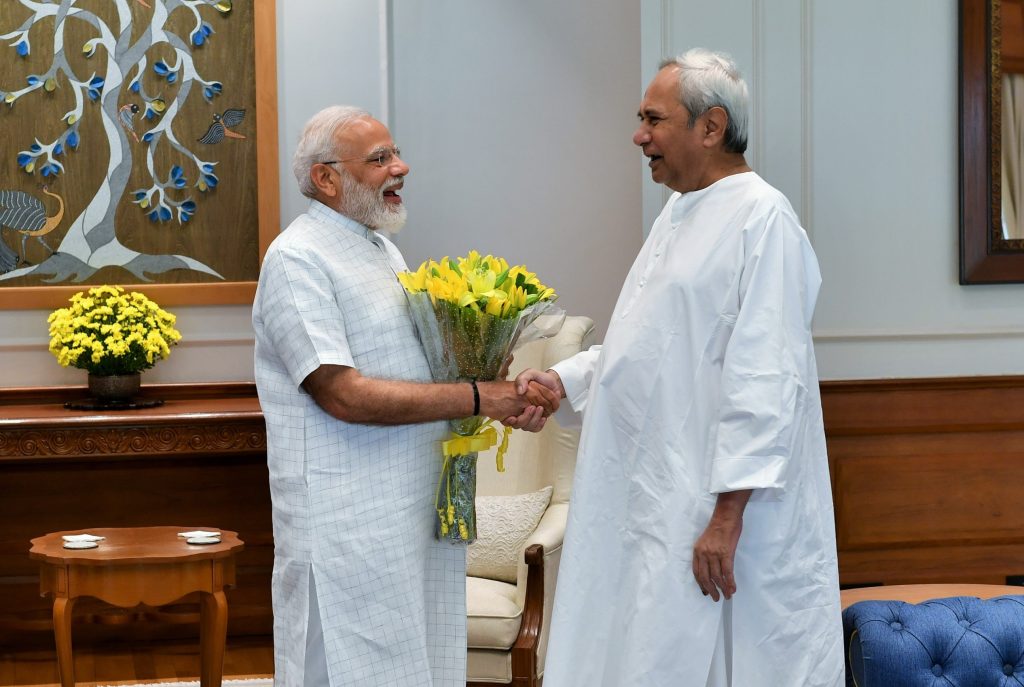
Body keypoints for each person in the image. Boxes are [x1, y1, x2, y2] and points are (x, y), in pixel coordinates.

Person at [513, 49, 844, 686]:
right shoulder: (679, 211)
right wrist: (564, 381)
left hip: (721, 508)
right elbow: (648, 343)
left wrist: (726, 517)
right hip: (658, 492)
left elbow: (768, 378)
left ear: (711, 127)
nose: (639, 136)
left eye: (653, 120)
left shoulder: (762, 217)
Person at [252, 105, 557, 687]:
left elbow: (415, 368)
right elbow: (342, 394)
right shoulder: (296, 259)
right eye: (381, 159)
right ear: (326, 179)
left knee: (412, 665)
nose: (402, 167)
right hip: (346, 525)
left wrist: (499, 388)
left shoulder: (378, 248)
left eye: (395, 154)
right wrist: (476, 397)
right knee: (347, 667)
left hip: (409, 512)